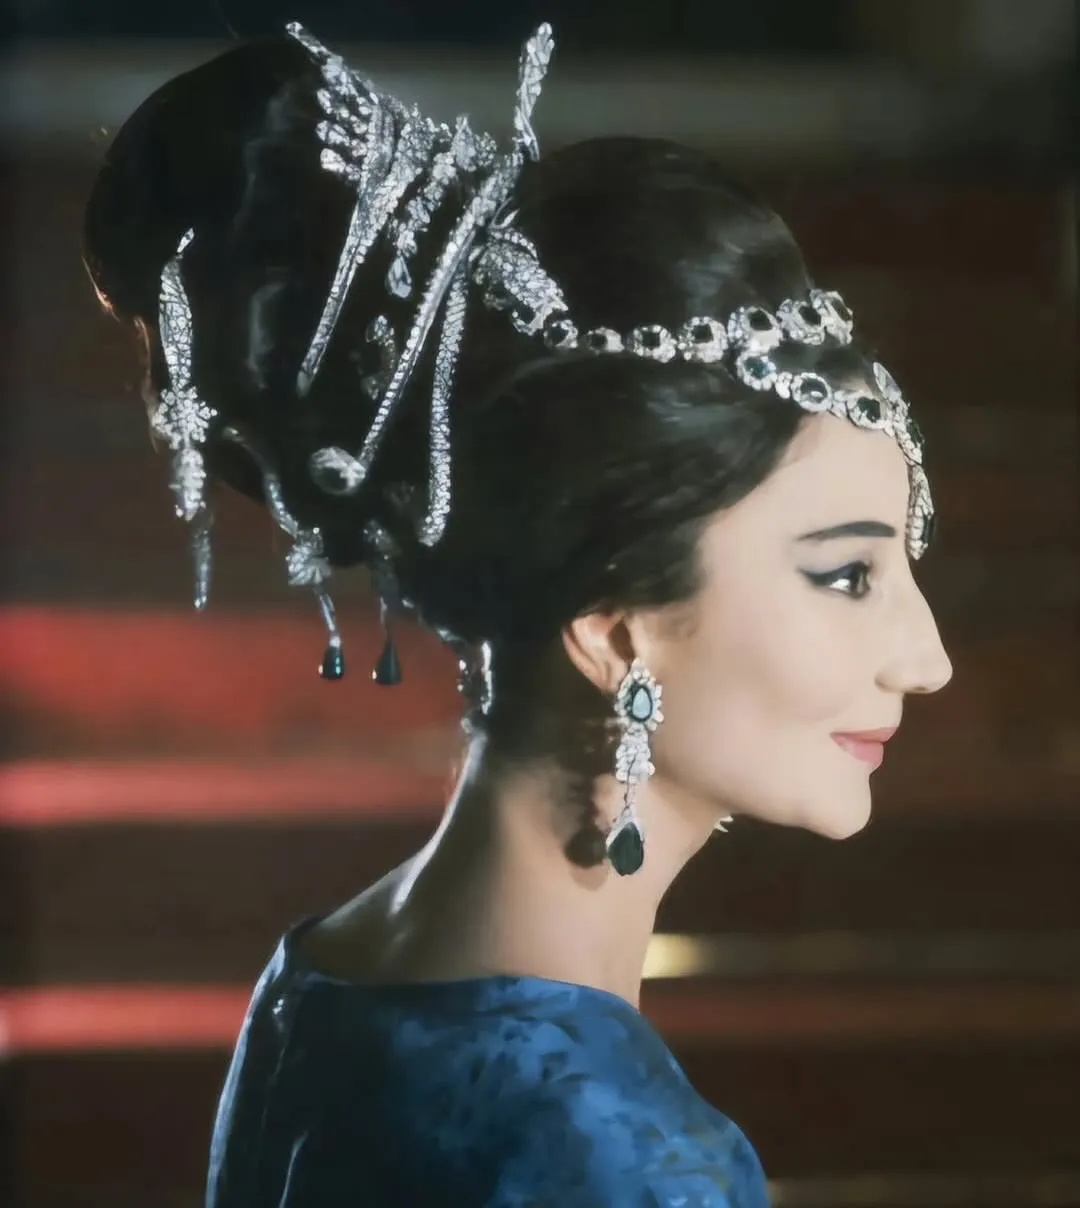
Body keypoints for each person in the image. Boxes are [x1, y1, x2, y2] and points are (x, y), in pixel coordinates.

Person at [84, 21, 953, 1208]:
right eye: (847, 575)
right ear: (616, 623)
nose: (928, 658)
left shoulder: (325, 975)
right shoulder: (615, 1153)